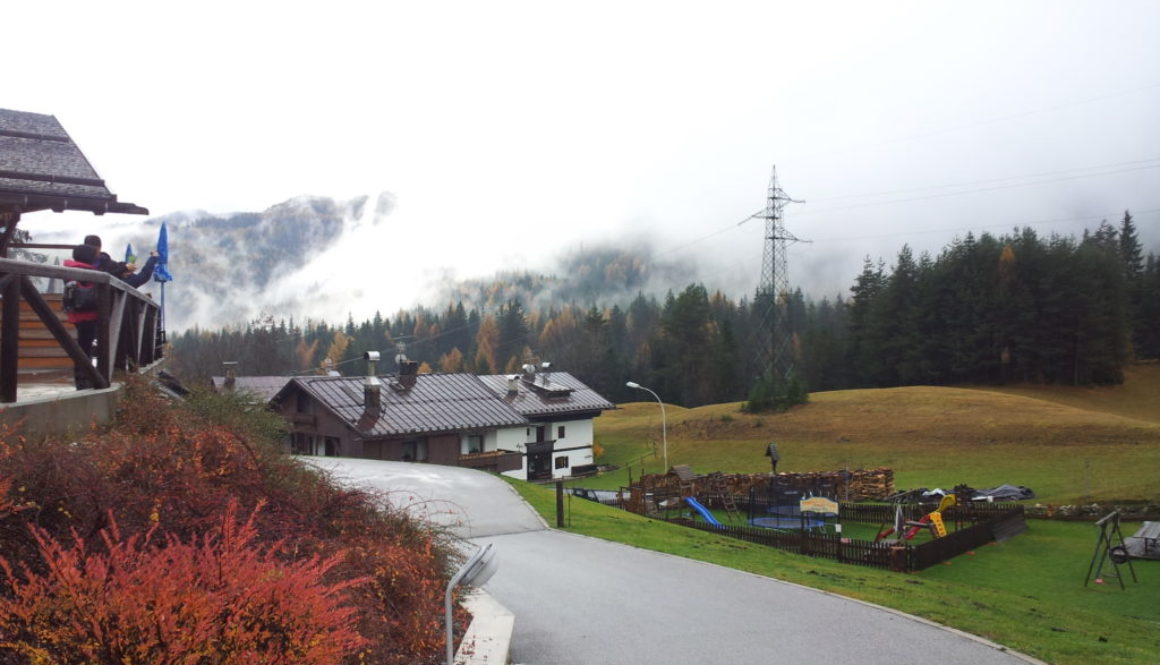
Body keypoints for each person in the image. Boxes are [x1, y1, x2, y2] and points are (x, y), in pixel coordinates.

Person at [64, 244, 101, 389]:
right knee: (85, 348)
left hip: (76, 313)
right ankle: (84, 380)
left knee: (84, 346)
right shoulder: (87, 272)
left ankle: (84, 379)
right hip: (87, 314)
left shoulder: (70, 269)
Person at [83, 235, 159, 288]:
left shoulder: (79, 263)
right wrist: (153, 259)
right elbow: (143, 277)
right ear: (99, 247)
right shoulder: (104, 262)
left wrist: (125, 268)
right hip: (107, 301)